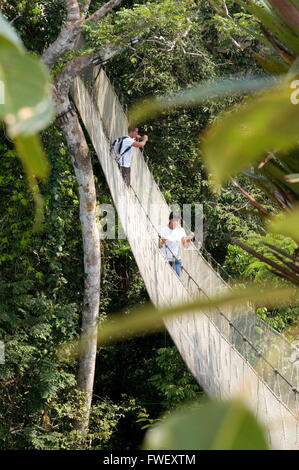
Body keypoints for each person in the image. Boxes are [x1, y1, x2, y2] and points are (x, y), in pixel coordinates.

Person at [159, 212, 194, 277]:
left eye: (177, 221)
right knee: (166, 279)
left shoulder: (181, 231)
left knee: (178, 279)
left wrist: (189, 239)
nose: (176, 223)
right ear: (170, 220)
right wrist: (162, 241)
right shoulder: (164, 230)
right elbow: (159, 246)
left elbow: (185, 246)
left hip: (177, 259)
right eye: (174, 221)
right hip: (166, 259)